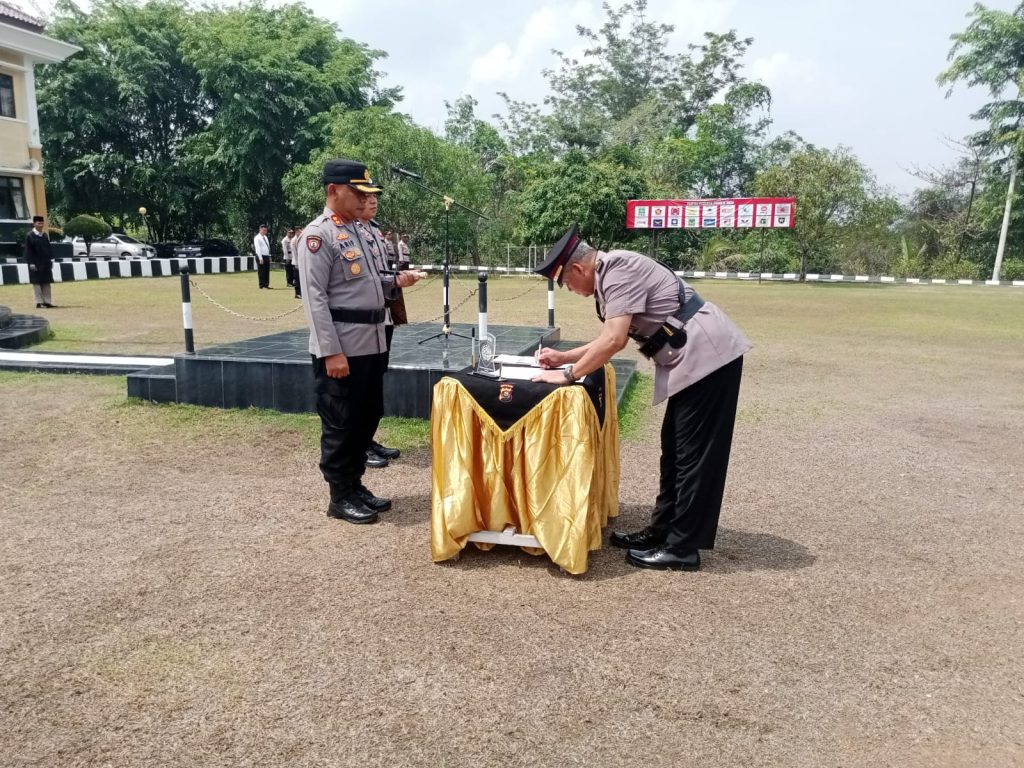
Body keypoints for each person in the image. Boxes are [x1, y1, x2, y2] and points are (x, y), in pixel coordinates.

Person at [532, 224, 751, 571]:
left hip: (710, 356)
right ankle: (662, 530)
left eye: (565, 283)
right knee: (675, 449)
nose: (570, 290)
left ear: (576, 269)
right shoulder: (609, 274)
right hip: (690, 358)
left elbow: (614, 341)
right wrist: (564, 358)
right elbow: (608, 336)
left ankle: (682, 547)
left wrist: (567, 376)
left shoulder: (617, 269)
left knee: (693, 455)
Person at [296, 159, 425, 524]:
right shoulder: (318, 236)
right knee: (341, 422)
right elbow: (315, 298)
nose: (364, 199)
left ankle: (355, 485)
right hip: (343, 347)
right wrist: (331, 351)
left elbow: (369, 283)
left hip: (371, 341)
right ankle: (339, 495)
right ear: (333, 191)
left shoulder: (357, 231)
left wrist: (394, 285)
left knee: (368, 414)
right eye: (358, 192)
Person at [356, 200, 406, 468]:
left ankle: (368, 438)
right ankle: (359, 445)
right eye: (365, 196)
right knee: (362, 386)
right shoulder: (349, 231)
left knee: (376, 380)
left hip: (382, 314)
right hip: (361, 322)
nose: (373, 201)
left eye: (375, 196)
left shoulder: (373, 230)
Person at [24, 215, 55, 308]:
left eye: (42, 223)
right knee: (37, 283)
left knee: (46, 282)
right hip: (35, 262)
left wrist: (51, 259)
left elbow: (48, 248)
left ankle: (47, 301)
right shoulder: (30, 236)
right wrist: (31, 263)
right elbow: (28, 250)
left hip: (45, 262)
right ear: (34, 224)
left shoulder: (44, 235)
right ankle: (39, 302)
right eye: (39, 223)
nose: (41, 225)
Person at [253, 224, 271, 289]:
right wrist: (260, 258)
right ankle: (261, 285)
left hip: (266, 256)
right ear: (260, 229)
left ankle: (266, 284)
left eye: (266, 230)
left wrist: (269, 255)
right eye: (264, 230)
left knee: (266, 271)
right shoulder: (257, 238)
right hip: (260, 256)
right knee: (261, 271)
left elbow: (268, 247)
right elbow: (258, 248)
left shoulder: (265, 237)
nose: (265, 232)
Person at [290, 226, 303, 299]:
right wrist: (298, 264)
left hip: (301, 262)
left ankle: (301, 292)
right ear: (297, 231)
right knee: (297, 279)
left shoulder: (300, 239)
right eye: (300, 231)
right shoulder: (294, 240)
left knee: (301, 279)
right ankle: (297, 293)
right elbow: (295, 253)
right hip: (296, 263)